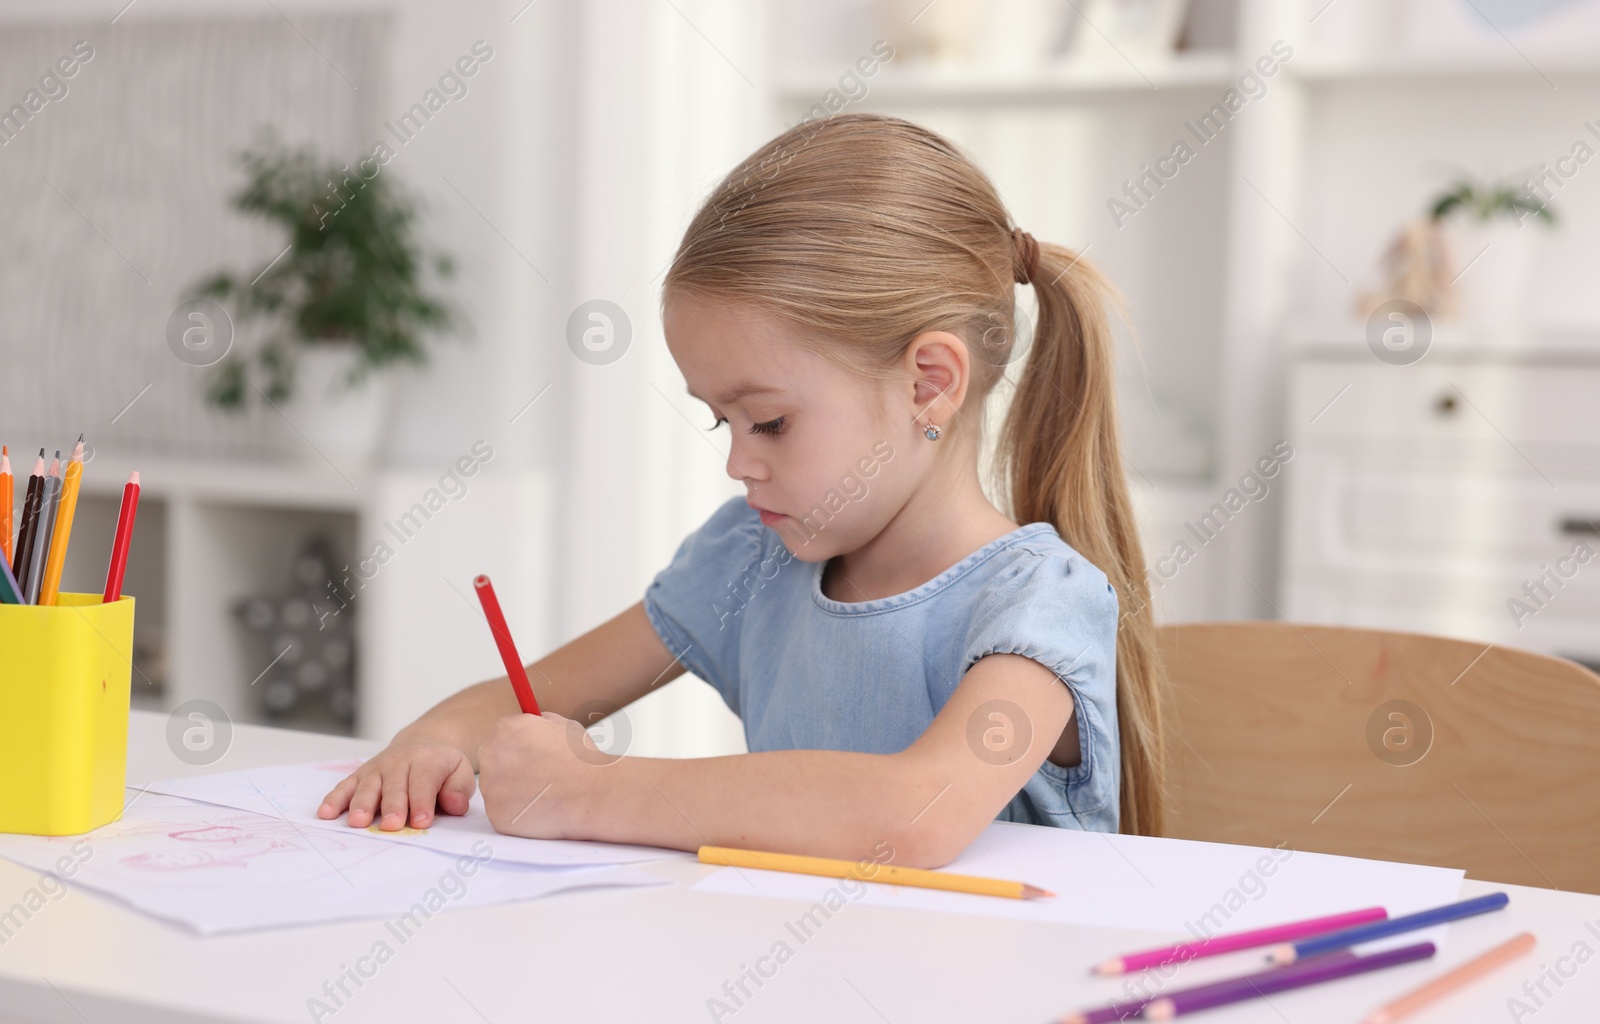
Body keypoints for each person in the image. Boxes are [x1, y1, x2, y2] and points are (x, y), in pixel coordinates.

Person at [318, 113, 1165, 867]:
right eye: (721, 421)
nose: (738, 462)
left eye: (769, 422)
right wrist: (431, 741)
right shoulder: (749, 559)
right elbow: (514, 697)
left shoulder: (1037, 603)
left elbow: (916, 816)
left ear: (928, 385)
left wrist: (591, 788)